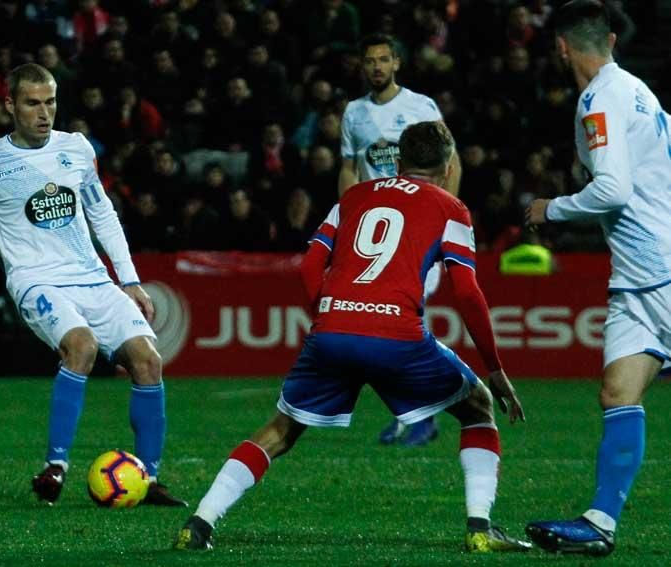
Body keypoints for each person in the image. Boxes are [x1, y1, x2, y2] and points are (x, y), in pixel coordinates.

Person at [173, 121, 530, 553]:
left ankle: (199, 522)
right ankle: (479, 528)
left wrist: (329, 318)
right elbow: (467, 293)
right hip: (397, 336)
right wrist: (494, 368)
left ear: (399, 162)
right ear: (450, 164)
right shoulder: (451, 208)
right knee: (477, 407)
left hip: (333, 331)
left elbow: (308, 268)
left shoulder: (353, 197)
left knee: (282, 429)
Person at [0, 63, 186, 508]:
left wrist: (129, 279)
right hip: (36, 281)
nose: (44, 112)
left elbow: (101, 212)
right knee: (81, 347)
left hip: (92, 278)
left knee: (148, 361)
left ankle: (148, 480)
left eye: (50, 102)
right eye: (32, 103)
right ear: (10, 105)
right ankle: (55, 467)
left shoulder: (77, 149)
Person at [524, 1, 671, 556]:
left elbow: (611, 189)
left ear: (562, 47)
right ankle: (600, 523)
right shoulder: (636, 88)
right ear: (610, 38)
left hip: (658, 272)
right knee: (618, 392)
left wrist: (550, 209)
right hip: (641, 276)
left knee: (620, 391)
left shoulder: (600, 98)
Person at [338, 33, 461, 447]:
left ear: (397, 64)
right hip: (376, 238)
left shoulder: (420, 107)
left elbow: (452, 163)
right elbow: (351, 169)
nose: (377, 67)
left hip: (415, 237)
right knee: (384, 329)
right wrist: (347, 221)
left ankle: (423, 415)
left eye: (384, 59)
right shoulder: (354, 113)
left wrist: (442, 217)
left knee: (403, 327)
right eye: (370, 60)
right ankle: (413, 414)